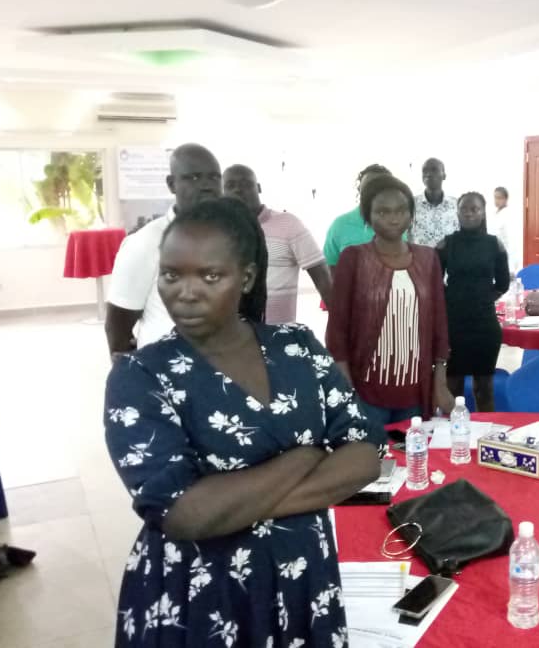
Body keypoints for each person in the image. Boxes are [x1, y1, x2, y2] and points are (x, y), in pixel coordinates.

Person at [104, 197, 381, 647]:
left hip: (302, 582)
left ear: (247, 277)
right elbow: (183, 513)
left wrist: (231, 506)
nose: (186, 292)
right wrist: (305, 457)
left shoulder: (297, 347)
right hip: (200, 594)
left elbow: (365, 453)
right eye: (171, 275)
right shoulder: (141, 375)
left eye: (210, 276)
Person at [326, 175, 453, 426]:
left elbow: (439, 324)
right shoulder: (354, 258)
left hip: (416, 390)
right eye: (383, 212)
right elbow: (337, 328)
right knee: (371, 450)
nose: (394, 219)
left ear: (411, 214)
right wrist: (346, 387)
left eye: (401, 210)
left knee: (413, 449)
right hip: (365, 391)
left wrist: (440, 383)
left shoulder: (428, 259)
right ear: (368, 216)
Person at [105, 143, 223, 357]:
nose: (207, 186)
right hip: (167, 368)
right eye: (194, 177)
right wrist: (137, 370)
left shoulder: (230, 237)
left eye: (214, 177)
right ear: (171, 184)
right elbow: (118, 327)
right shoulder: (146, 242)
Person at [223, 164, 332, 323]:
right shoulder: (215, 231)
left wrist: (340, 324)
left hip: (278, 333)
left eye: (245, 184)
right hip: (227, 333)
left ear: (258, 188)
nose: (238, 190)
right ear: (222, 192)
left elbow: (323, 279)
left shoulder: (289, 224)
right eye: (230, 185)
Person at [437, 192, 511, 411]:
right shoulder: (447, 244)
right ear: (457, 212)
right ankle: (453, 430)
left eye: (474, 209)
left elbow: (503, 283)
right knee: (453, 389)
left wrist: (481, 298)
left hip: (484, 326)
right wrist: (454, 298)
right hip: (454, 325)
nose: (468, 213)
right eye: (464, 209)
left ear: (483, 212)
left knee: (484, 389)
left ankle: (486, 428)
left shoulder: (494, 244)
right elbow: (433, 280)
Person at [323, 164, 393, 268]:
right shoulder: (340, 225)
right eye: (367, 187)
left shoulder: (404, 224)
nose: (371, 192)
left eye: (379, 187)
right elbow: (329, 268)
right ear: (359, 189)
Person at [410, 157, 458, 246]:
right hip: (420, 254)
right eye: (425, 171)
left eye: (434, 170)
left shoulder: (456, 204)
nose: (428, 174)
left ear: (444, 176)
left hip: (450, 254)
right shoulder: (411, 204)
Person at [489, 186, 518, 273]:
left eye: (499, 198)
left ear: (506, 199)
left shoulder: (508, 215)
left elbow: (511, 241)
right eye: (495, 197)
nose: (496, 200)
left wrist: (511, 267)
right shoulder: (495, 214)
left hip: (504, 255)